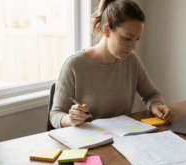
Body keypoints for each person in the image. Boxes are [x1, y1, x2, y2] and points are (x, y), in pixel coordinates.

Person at [50, 0, 174, 129]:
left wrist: (157, 105)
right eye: (127, 38)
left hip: (122, 138)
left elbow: (151, 94)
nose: (133, 47)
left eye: (137, 39)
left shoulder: (132, 61)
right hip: (89, 141)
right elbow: (55, 115)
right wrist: (70, 119)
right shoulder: (74, 65)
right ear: (107, 30)